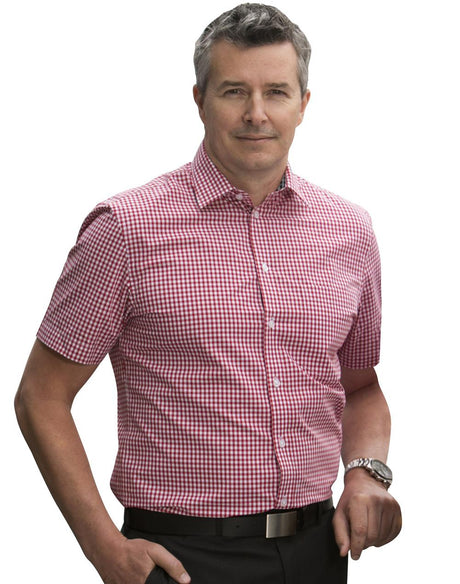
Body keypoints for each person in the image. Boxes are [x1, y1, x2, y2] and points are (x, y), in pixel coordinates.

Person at [15, 4, 402, 584]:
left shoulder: (350, 231)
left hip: (320, 553)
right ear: (199, 100)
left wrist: (367, 474)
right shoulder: (126, 229)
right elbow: (41, 397)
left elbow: (361, 388)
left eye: (276, 92)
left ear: (303, 103)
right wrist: (103, 549)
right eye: (233, 91)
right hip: (181, 560)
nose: (256, 114)